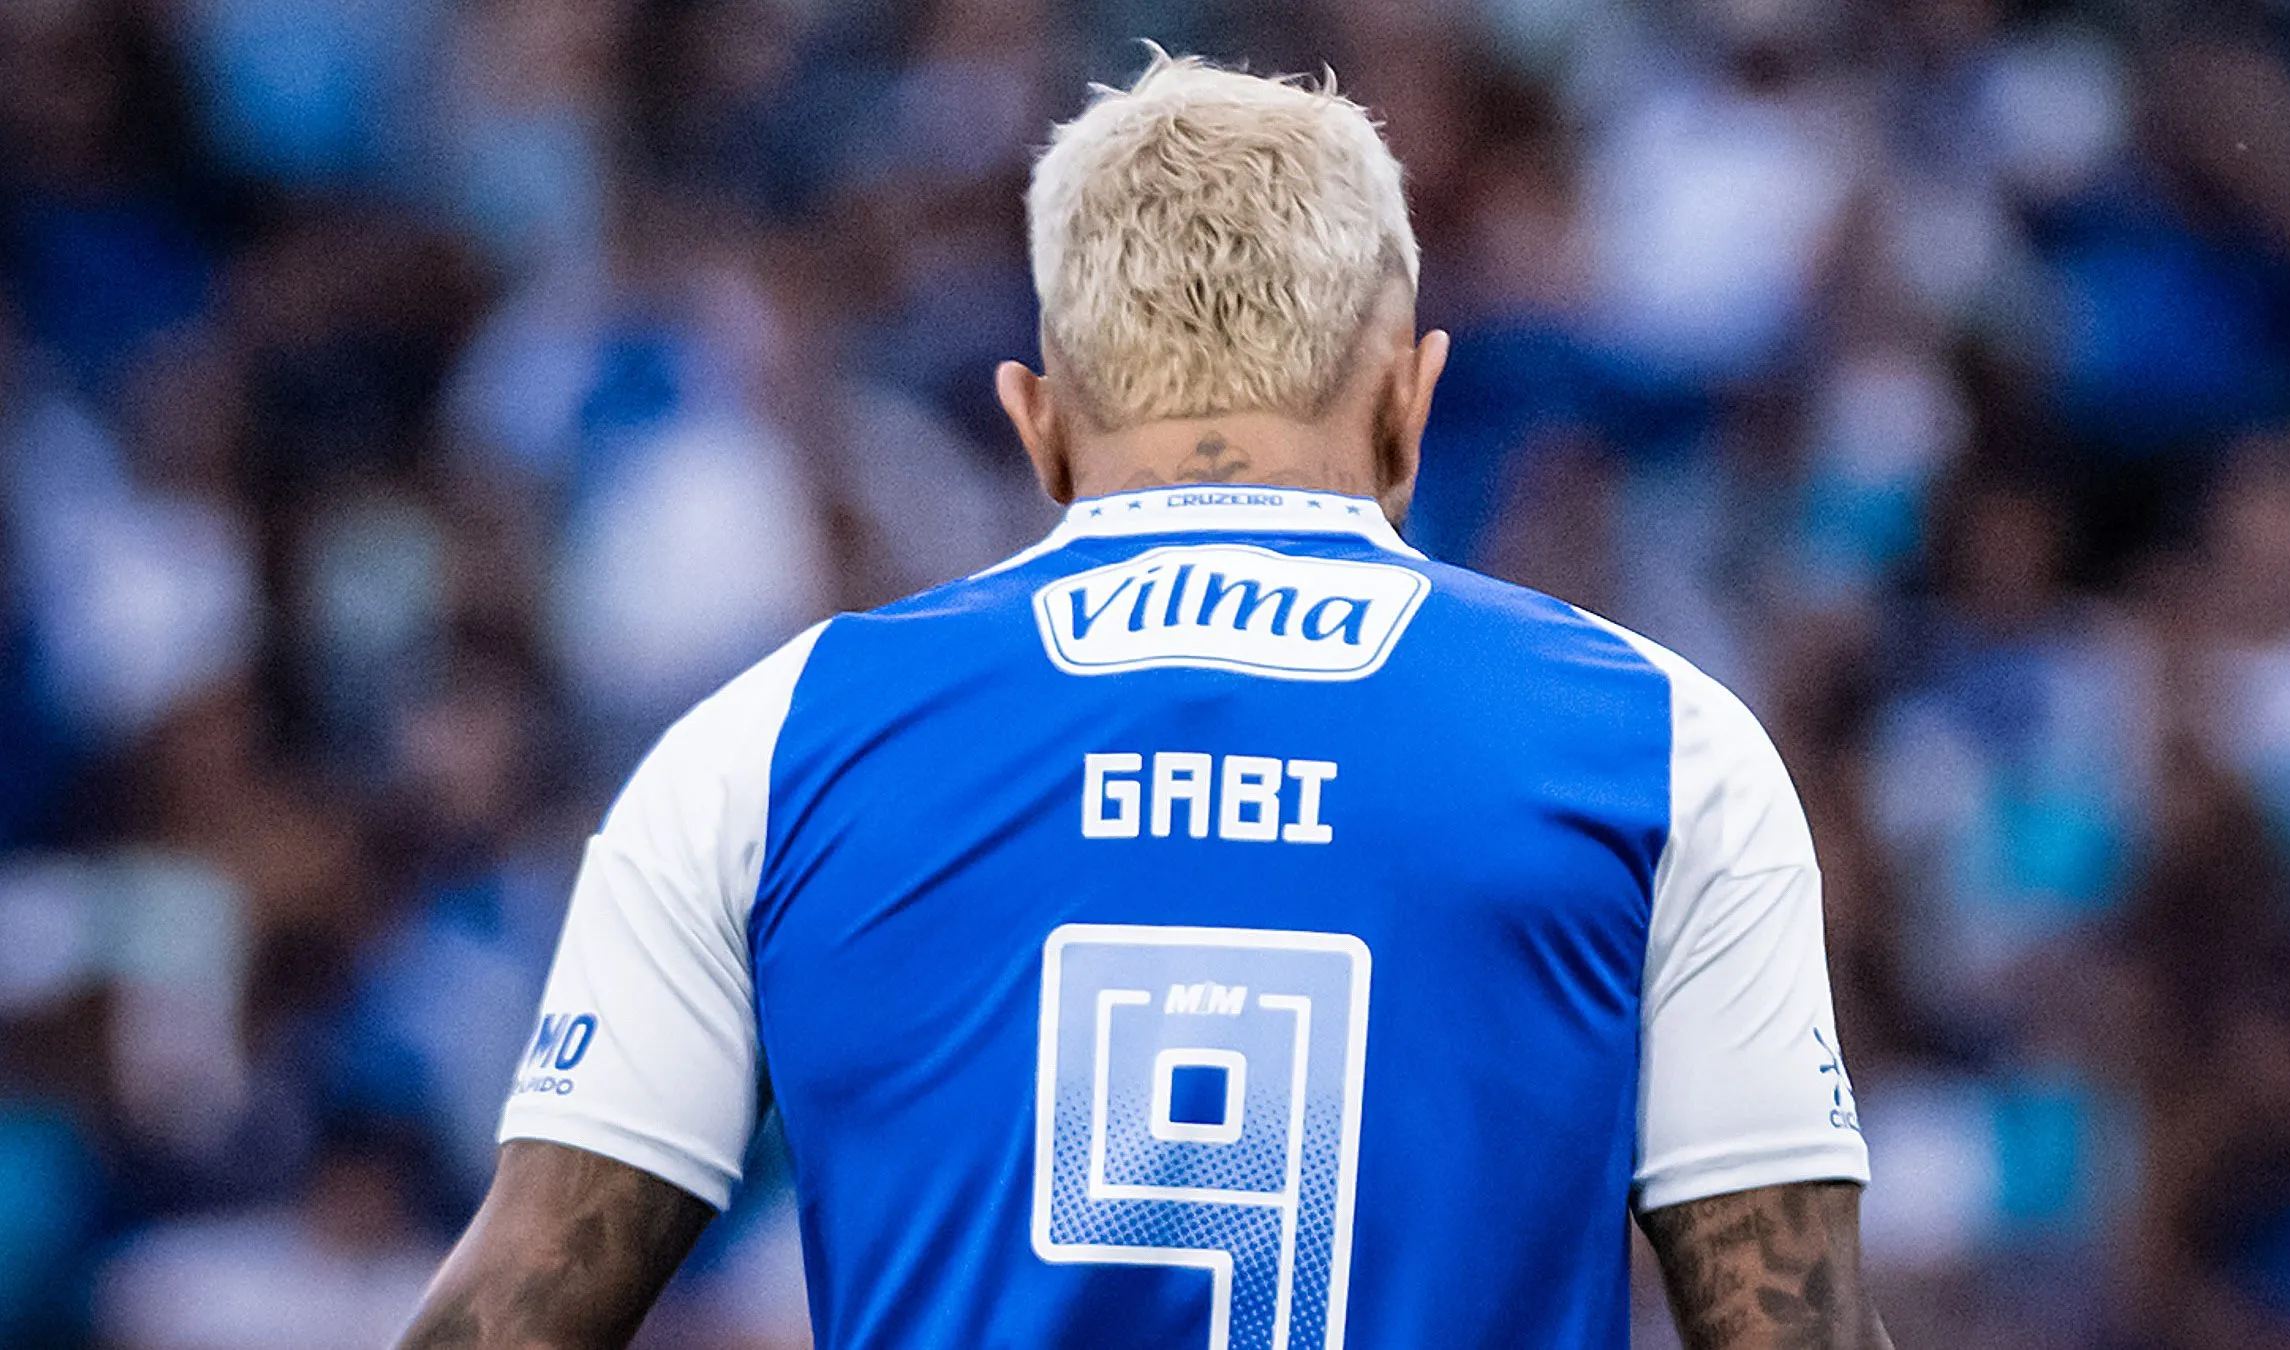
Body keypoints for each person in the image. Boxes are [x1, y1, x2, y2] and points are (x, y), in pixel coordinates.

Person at [397, 51, 1888, 1350]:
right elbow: (1791, 1326)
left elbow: (517, 1307)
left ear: (1037, 423)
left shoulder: (773, 744)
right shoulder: (1656, 744)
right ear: (1410, 403)